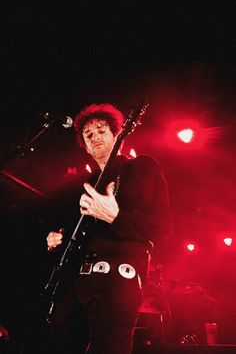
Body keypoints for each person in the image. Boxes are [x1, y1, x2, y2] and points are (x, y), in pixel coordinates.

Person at [44, 102, 173, 354]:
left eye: (101, 130)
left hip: (117, 279)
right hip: (77, 284)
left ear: (117, 134)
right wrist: (58, 240)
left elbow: (162, 227)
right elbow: (78, 235)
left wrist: (117, 216)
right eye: (88, 134)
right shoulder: (87, 185)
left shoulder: (141, 168)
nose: (95, 136)